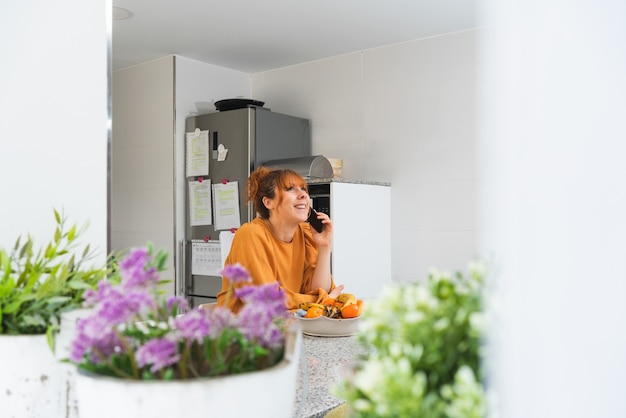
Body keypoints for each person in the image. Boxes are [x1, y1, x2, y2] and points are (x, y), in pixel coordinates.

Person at [216, 166, 344, 312]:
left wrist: (324, 246)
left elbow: (319, 290)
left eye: (303, 189)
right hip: (241, 331)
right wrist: (320, 301)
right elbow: (266, 300)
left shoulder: (305, 234)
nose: (303, 195)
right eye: (290, 189)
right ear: (268, 202)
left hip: (286, 325)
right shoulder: (250, 234)